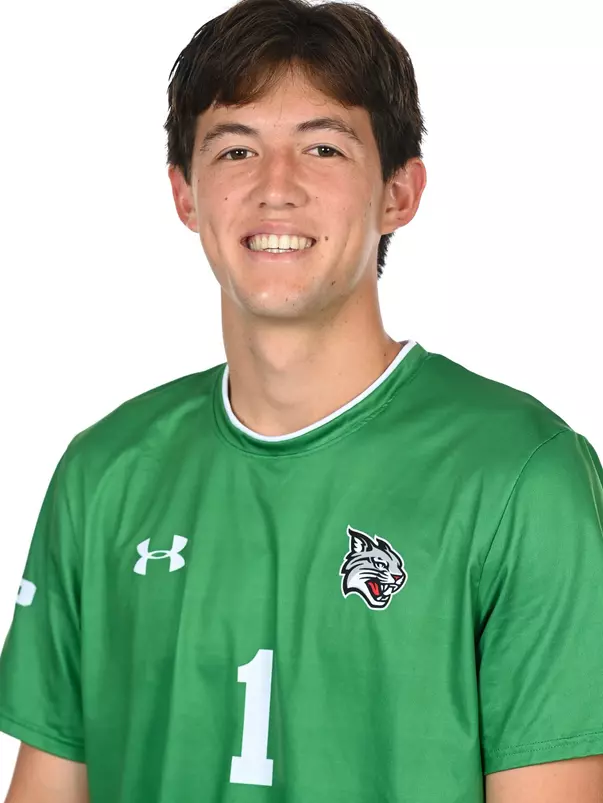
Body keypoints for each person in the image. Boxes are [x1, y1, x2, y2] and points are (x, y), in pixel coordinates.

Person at [1, 0, 603, 801]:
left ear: (398, 192)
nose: (274, 187)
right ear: (185, 195)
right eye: (235, 149)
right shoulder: (103, 470)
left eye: (322, 146)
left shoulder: (523, 477)